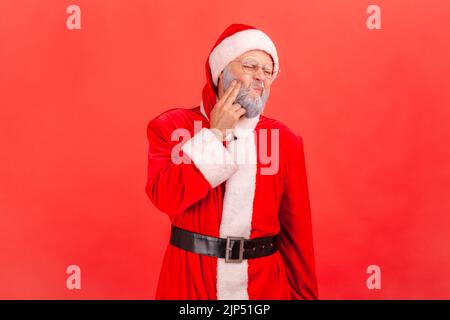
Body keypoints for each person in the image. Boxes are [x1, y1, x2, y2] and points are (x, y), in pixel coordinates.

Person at [145, 23, 318, 300]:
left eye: (268, 70)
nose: (261, 77)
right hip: (190, 284)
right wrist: (215, 135)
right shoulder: (171, 126)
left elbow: (298, 237)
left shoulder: (285, 139)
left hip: (264, 288)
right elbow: (166, 197)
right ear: (220, 72)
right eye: (250, 65)